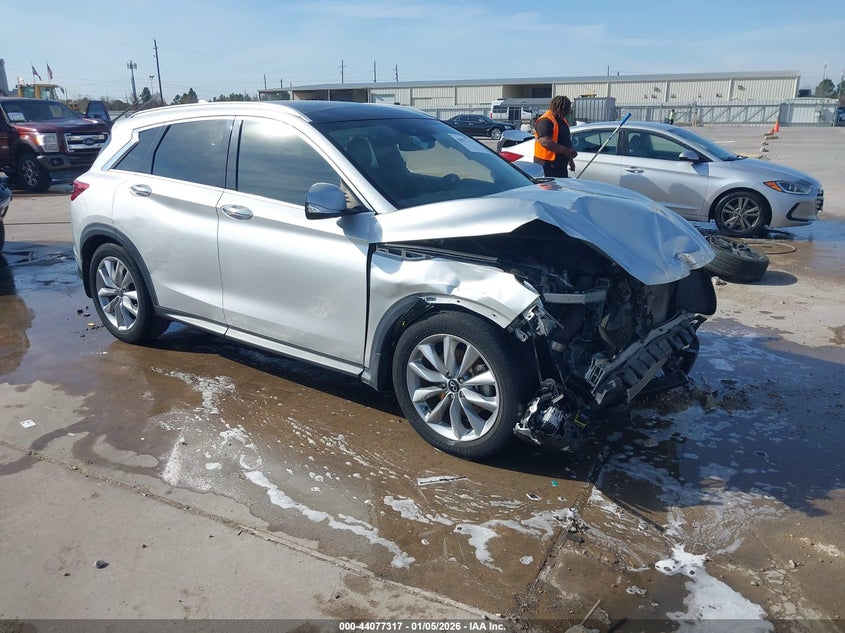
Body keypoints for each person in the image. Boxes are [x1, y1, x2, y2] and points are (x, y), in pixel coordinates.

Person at [533, 95, 577, 178]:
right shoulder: (545, 120)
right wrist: (566, 151)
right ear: (558, 108)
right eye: (565, 109)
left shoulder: (561, 120)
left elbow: (565, 140)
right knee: (549, 190)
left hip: (560, 164)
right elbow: (545, 142)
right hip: (546, 165)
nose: (566, 112)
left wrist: (570, 160)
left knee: (560, 189)